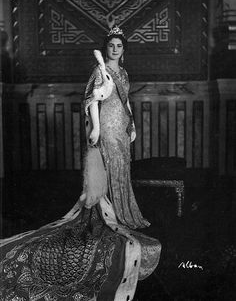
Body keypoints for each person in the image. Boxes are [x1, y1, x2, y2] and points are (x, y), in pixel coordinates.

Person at [0, 26, 161, 301]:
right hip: (106, 127)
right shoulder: (99, 72)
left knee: (122, 168)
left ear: (124, 50)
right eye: (111, 45)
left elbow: (126, 100)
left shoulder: (123, 72)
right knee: (108, 168)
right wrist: (96, 129)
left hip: (121, 126)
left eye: (119, 46)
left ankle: (126, 212)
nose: (114, 49)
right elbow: (91, 101)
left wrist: (132, 125)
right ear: (106, 47)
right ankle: (109, 214)